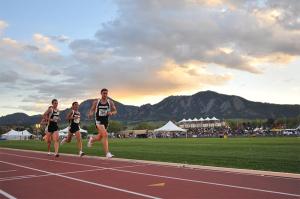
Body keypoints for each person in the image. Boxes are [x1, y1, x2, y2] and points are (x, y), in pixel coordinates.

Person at [88, 88, 117, 158]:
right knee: (105, 135)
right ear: (101, 94)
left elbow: (115, 111)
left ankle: (92, 139)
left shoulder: (110, 102)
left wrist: (111, 113)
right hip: (98, 121)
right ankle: (107, 153)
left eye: (106, 93)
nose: (105, 95)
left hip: (106, 121)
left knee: (99, 137)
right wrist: (90, 114)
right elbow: (92, 110)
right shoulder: (96, 102)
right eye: (104, 93)